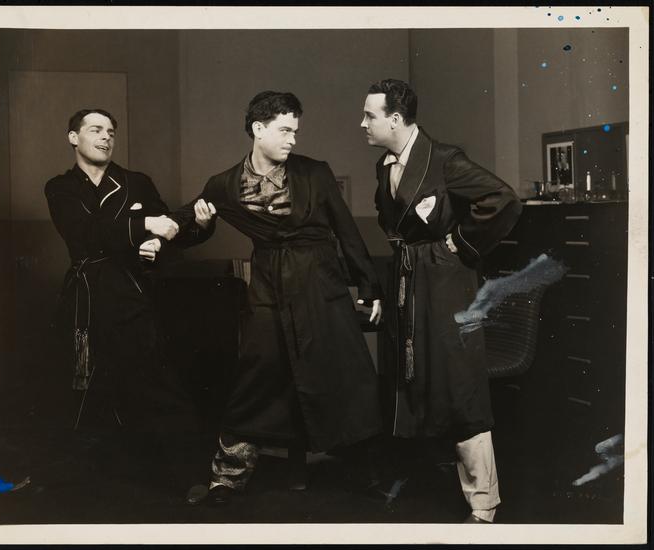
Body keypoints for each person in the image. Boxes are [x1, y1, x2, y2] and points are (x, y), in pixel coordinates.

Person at [170, 91, 383, 505]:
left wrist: (369, 286)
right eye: (285, 130)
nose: (293, 140)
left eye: (295, 131)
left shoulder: (315, 173)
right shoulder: (224, 184)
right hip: (269, 286)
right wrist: (183, 227)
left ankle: (367, 473)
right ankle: (227, 479)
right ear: (258, 129)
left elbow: (346, 230)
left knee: (344, 375)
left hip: (320, 284)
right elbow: (188, 221)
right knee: (257, 374)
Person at [360, 79, 522, 523]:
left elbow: (503, 199)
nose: (363, 123)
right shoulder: (383, 166)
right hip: (409, 283)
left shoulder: (446, 159)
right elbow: (391, 217)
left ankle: (483, 504)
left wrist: (461, 242)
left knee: (459, 385)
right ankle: (420, 474)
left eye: (370, 115)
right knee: (412, 378)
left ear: (395, 119)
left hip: (447, 283)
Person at [44, 109, 193, 471]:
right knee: (83, 382)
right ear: (73, 137)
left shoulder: (137, 182)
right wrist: (145, 224)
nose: (106, 137)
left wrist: (156, 243)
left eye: (111, 131)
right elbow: (86, 234)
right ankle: (87, 475)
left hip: (129, 291)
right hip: (84, 297)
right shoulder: (60, 187)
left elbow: (169, 230)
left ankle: (183, 469)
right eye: (96, 129)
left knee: (151, 377)